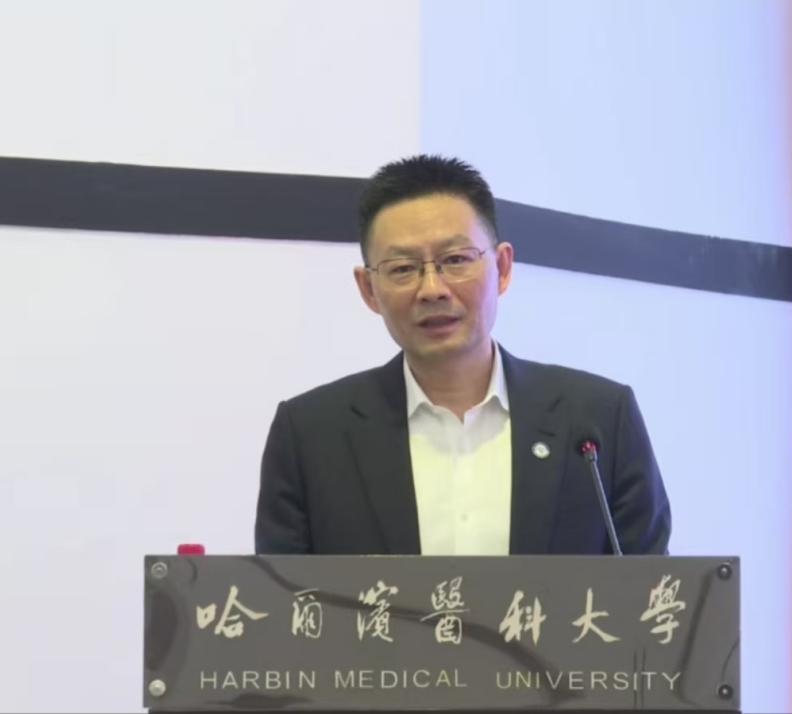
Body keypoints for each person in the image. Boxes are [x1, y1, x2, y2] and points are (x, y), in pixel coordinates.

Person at [254, 155, 670, 555]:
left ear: (502, 268)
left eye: (455, 260)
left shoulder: (599, 421)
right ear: (368, 290)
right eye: (402, 268)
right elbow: (282, 598)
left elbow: (653, 590)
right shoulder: (310, 436)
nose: (432, 289)